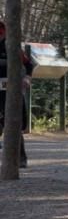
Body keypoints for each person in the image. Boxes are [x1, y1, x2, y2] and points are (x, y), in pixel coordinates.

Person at [0, 19, 34, 168]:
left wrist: (27, 78)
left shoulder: (13, 47)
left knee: (15, 123)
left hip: (11, 89)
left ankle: (20, 158)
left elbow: (28, 65)